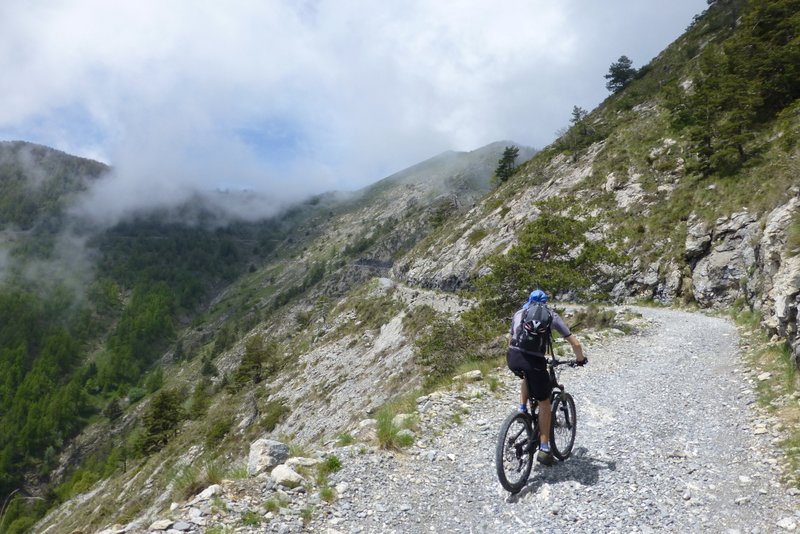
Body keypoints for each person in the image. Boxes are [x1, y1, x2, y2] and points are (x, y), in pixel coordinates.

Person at [506, 289, 586, 466]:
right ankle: (544, 448)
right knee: (544, 402)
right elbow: (576, 343)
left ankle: (522, 409)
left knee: (526, 376)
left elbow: (511, 339)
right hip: (534, 361)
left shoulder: (520, 312)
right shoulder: (551, 315)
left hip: (513, 358)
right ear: (545, 302)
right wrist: (580, 359)